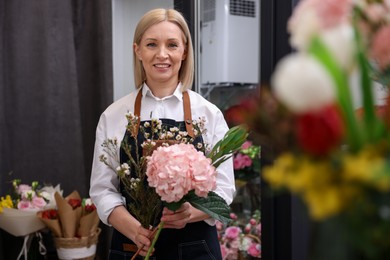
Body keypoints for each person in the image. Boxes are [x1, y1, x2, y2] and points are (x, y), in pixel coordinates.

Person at [90, 8, 235, 260]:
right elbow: (103, 191)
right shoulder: (113, 116)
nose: (162, 54)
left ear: (185, 51)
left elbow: (224, 190)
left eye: (172, 44)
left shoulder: (209, 115)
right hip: (132, 247)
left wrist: (190, 212)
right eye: (151, 44)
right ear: (138, 50)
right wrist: (133, 230)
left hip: (195, 248)